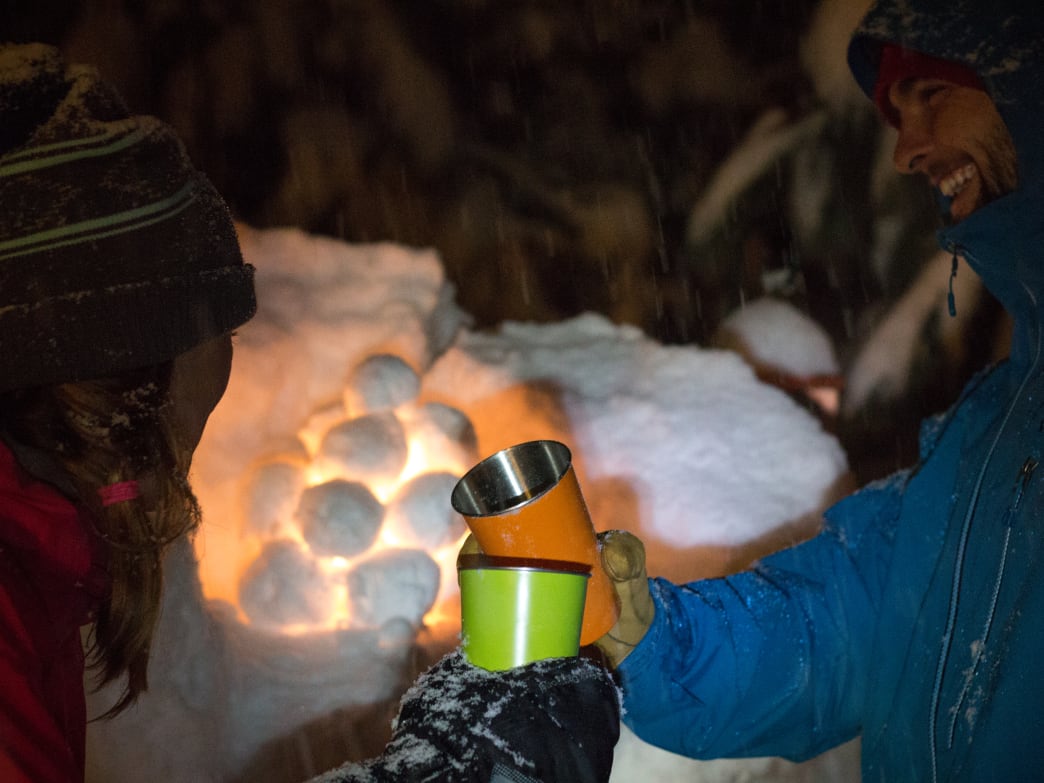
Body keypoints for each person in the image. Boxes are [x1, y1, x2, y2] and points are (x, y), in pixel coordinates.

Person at [0, 43, 619, 783]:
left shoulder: (46, 537)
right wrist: (460, 766)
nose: (219, 382)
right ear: (127, 375)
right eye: (218, 333)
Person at [594, 0, 1044, 780]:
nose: (906, 150)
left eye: (932, 95)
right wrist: (651, 635)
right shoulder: (993, 433)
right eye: (897, 113)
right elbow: (842, 626)